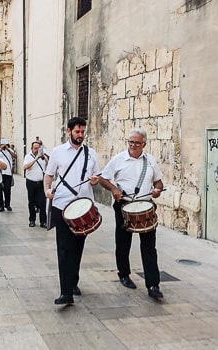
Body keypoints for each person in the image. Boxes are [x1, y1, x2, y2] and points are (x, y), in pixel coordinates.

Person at [99, 128, 164, 300]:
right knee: (123, 242)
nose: (133, 145)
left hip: (146, 206)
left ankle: (153, 284)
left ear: (144, 144)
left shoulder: (150, 160)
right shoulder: (119, 159)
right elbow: (103, 178)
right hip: (124, 205)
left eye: (137, 142)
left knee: (149, 246)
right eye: (131, 142)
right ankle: (124, 274)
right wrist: (113, 189)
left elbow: (158, 182)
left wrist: (157, 190)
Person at [44, 117, 101, 305]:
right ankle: (65, 292)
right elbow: (49, 175)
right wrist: (47, 190)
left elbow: (97, 176)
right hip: (62, 205)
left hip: (83, 207)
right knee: (64, 249)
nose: (80, 135)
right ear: (68, 131)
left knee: (77, 248)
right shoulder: (58, 152)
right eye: (77, 132)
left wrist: (95, 180)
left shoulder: (90, 153)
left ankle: (73, 282)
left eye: (83, 132)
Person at [23, 141, 48, 228]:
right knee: (31, 202)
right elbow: (26, 167)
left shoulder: (43, 157)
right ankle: (32, 220)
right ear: (32, 149)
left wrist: (44, 157)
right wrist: (36, 159)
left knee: (42, 202)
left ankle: (43, 221)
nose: (37, 150)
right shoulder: (28, 156)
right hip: (31, 182)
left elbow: (49, 166)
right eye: (35, 148)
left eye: (38, 148)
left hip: (41, 183)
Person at [0, 139, 17, 211]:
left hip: (8, 173)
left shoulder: (10, 150)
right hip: (0, 173)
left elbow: (15, 156)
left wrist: (8, 149)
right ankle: (1, 205)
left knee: (7, 190)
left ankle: (7, 204)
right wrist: (0, 150)